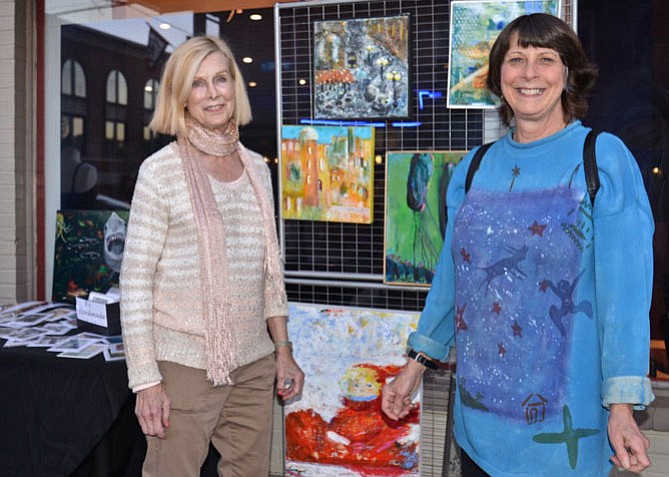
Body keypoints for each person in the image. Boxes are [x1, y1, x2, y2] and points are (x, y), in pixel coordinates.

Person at [382, 13, 654, 477]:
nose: (529, 73)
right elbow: (453, 283)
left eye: (546, 59)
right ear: (499, 76)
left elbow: (623, 299)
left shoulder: (602, 160)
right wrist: (415, 365)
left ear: (568, 74)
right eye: (516, 60)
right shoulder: (472, 169)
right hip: (477, 429)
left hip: (564, 438)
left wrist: (623, 406)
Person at [119, 35, 304, 477]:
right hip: (182, 366)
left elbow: (267, 273)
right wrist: (146, 380)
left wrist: (282, 350)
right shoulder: (160, 172)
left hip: (254, 363)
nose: (213, 93)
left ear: (234, 86)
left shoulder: (257, 168)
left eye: (220, 79)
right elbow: (135, 283)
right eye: (197, 84)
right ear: (180, 96)